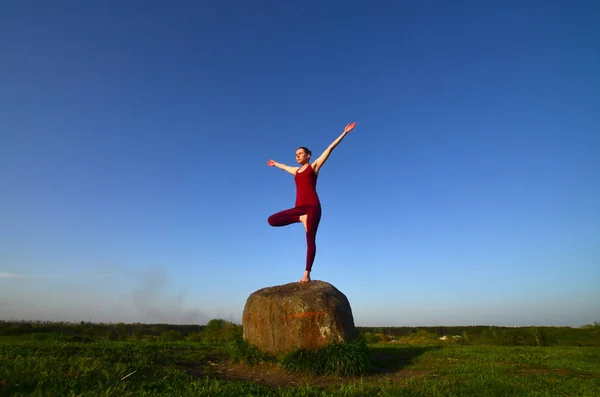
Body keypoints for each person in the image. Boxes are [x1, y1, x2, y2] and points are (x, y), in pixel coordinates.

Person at [266, 122, 357, 283]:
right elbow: (285, 167)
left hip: (313, 207)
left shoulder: (313, 167)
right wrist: (275, 164)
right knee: (271, 220)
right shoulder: (296, 171)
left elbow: (329, 149)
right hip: (299, 209)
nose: (297, 156)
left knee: (310, 239)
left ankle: (306, 273)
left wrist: (344, 133)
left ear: (308, 155)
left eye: (300, 153)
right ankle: (300, 218)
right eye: (296, 154)